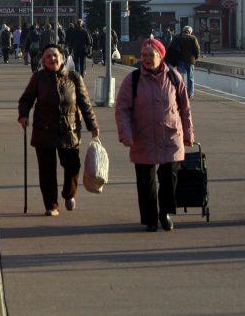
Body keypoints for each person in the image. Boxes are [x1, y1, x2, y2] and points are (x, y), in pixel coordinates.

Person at [114, 38, 194, 232]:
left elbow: (185, 108)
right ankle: (150, 218)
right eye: (144, 56)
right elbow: (122, 109)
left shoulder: (174, 77)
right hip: (143, 137)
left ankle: (165, 213)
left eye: (151, 55)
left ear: (161, 56)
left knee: (169, 177)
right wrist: (125, 133)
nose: (147, 59)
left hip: (171, 136)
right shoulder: (132, 80)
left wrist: (188, 133)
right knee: (145, 180)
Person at [18, 45, 100, 216]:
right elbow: (26, 100)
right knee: (47, 171)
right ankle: (51, 205)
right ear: (43, 60)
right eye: (48, 56)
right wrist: (23, 115)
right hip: (44, 130)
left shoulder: (73, 77)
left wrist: (92, 125)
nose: (52, 59)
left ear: (62, 58)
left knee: (72, 166)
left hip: (68, 130)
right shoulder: (38, 78)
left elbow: (85, 104)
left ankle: (69, 193)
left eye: (55, 55)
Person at [172, 26, 201, 97]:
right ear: (190, 31)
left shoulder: (178, 38)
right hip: (190, 60)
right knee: (190, 77)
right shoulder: (193, 38)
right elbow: (197, 49)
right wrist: (196, 57)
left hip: (180, 60)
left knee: (180, 77)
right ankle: (190, 94)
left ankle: (180, 92)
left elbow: (172, 47)